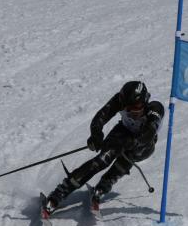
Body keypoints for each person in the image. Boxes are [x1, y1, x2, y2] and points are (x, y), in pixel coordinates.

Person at [43, 81, 164, 215]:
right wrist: (96, 135)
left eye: (136, 107)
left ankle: (104, 185)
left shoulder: (155, 108)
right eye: (127, 108)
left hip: (144, 144)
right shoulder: (119, 100)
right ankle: (60, 192)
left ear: (145, 101)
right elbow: (100, 117)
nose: (131, 112)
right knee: (102, 160)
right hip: (123, 131)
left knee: (127, 159)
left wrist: (133, 142)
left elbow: (149, 132)